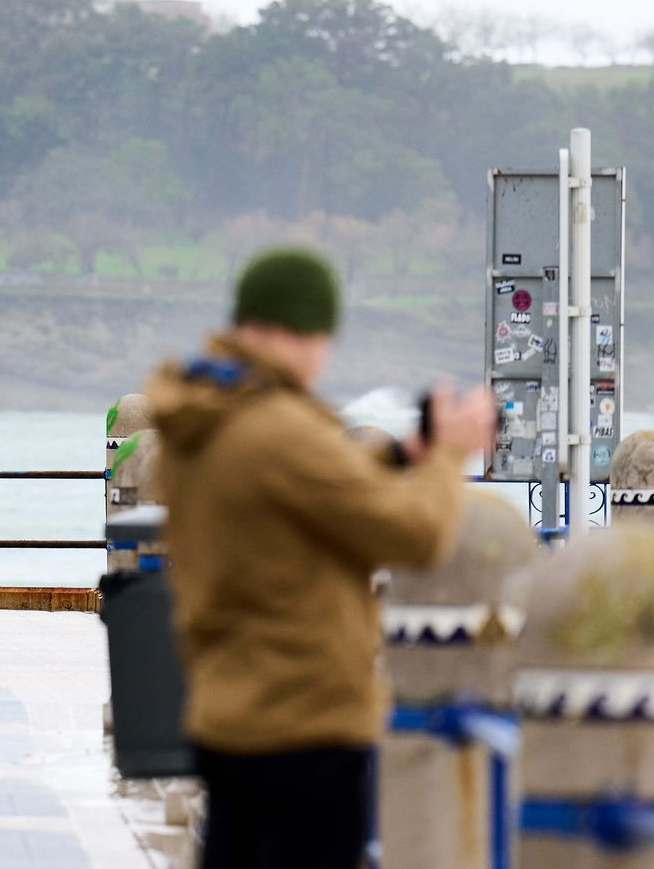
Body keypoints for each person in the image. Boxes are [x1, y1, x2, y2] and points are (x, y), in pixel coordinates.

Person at [145, 247, 497, 868]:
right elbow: (416, 535)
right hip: (305, 725)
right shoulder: (279, 427)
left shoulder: (207, 416)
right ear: (303, 331)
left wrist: (399, 457)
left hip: (229, 712)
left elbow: (291, 496)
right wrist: (450, 455)